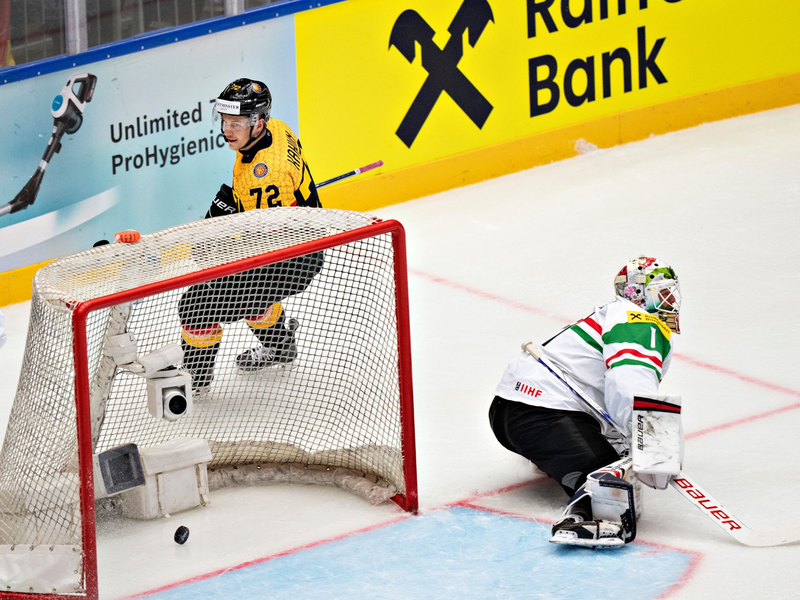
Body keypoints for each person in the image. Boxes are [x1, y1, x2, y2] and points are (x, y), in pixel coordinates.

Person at [488, 256, 681, 547]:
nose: (670, 300)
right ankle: (581, 519)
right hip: (541, 416)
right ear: (640, 294)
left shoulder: (615, 315)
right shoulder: (638, 320)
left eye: (671, 292)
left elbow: (605, 395)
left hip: (511, 412)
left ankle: (553, 455)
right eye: (662, 292)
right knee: (612, 486)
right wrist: (654, 447)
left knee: (619, 453)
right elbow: (630, 380)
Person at [179, 78, 323, 391]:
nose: (227, 130)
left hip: (289, 260)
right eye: (225, 121)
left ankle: (196, 380)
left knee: (196, 304)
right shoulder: (277, 128)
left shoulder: (264, 176)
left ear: (258, 123)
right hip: (297, 245)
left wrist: (224, 233)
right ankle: (281, 347)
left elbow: (263, 242)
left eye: (236, 123)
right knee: (248, 292)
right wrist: (235, 204)